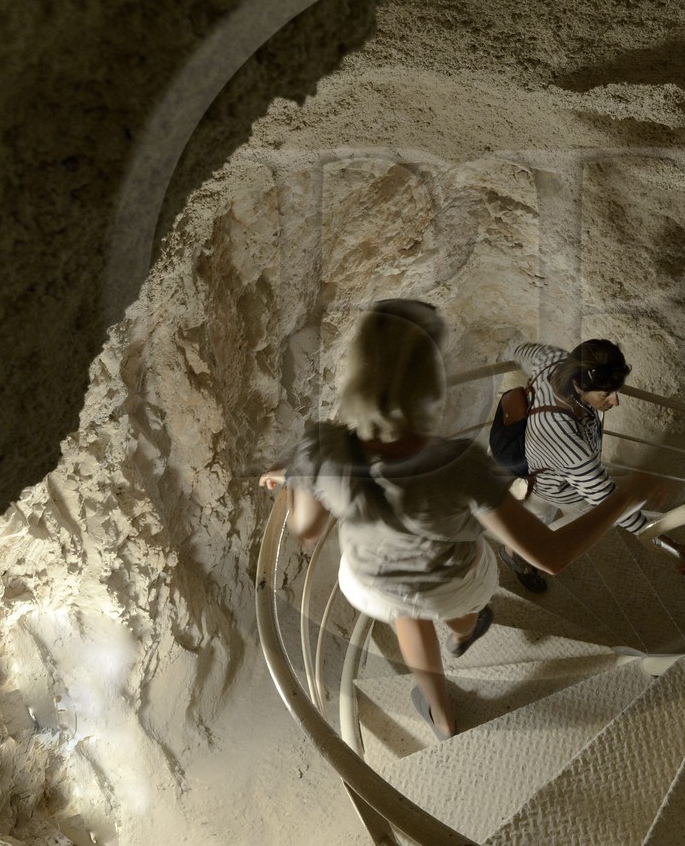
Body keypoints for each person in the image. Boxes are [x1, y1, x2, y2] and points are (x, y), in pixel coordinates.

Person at [258, 300, 659, 740]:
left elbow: (306, 530)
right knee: (456, 603)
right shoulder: (461, 465)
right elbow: (552, 555)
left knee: (408, 613)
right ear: (430, 384)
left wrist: (300, 476)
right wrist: (626, 498)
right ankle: (466, 629)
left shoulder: (320, 448)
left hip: (373, 580)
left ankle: (443, 717)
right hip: (453, 581)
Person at [498, 339, 685, 589]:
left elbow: (523, 350)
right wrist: (668, 545)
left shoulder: (555, 362)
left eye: (616, 391)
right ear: (578, 385)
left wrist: (508, 349)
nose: (615, 402)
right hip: (562, 488)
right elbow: (610, 504)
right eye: (606, 394)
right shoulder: (567, 442)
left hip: (539, 475)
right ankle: (519, 558)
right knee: (587, 524)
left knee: (533, 522)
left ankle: (514, 554)